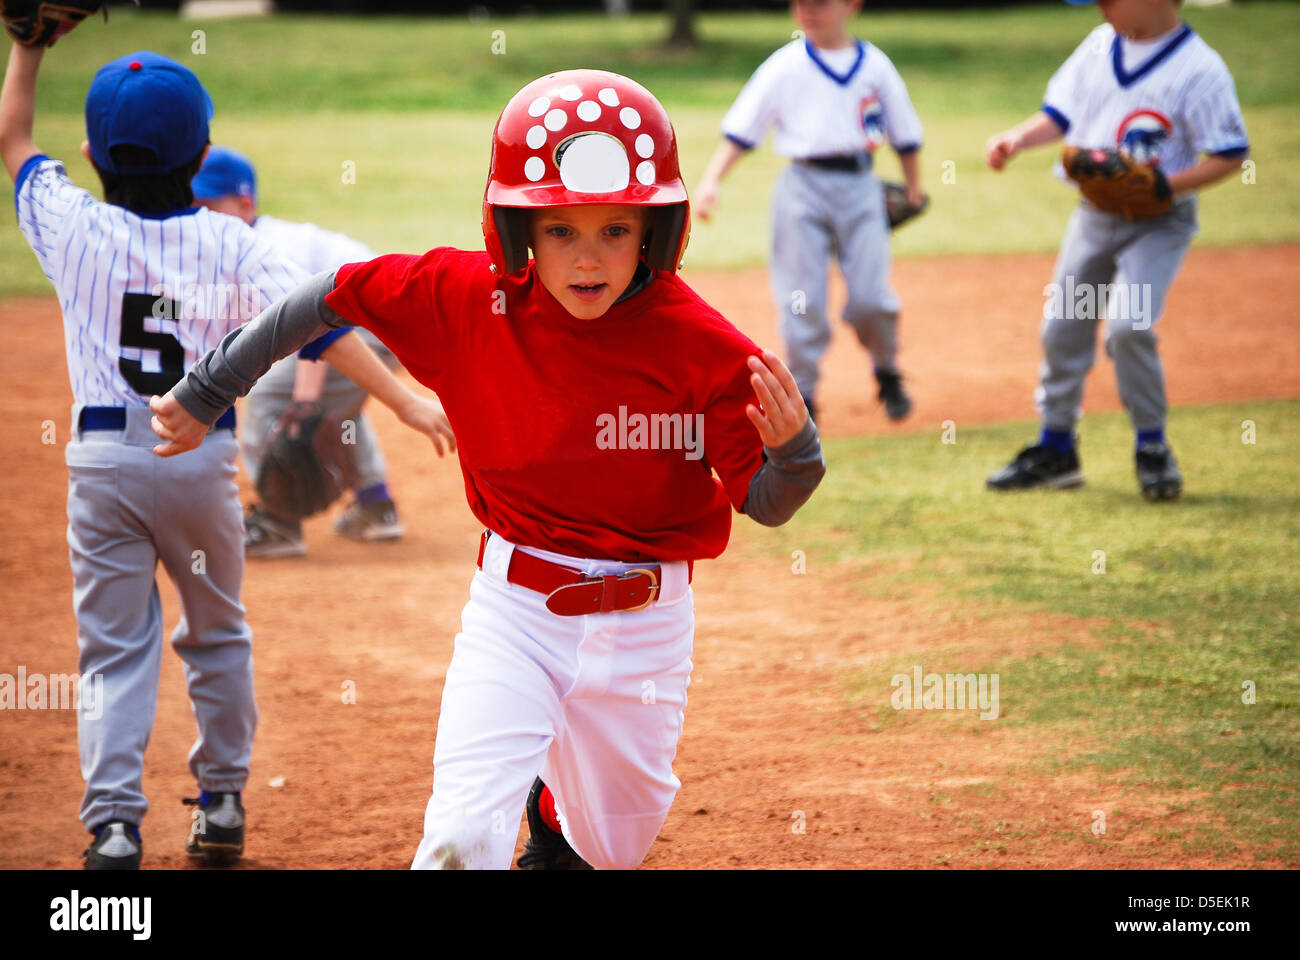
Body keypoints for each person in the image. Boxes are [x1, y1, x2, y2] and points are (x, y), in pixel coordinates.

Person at [150, 69, 827, 870]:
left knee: (609, 850)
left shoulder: (702, 345)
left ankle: (554, 818)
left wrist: (796, 454)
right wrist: (210, 387)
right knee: (460, 838)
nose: (588, 258)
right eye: (560, 230)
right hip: (518, 614)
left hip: (647, 628)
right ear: (518, 232)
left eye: (615, 230)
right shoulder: (467, 300)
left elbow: (766, 501)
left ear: (654, 230)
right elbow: (331, 295)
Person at [0, 43, 452, 869]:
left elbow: (14, 139)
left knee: (111, 647)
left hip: (102, 464)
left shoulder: (69, 224)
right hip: (199, 464)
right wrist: (407, 398)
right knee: (215, 634)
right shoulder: (231, 244)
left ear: (95, 154)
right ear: (204, 155)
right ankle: (222, 803)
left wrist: (26, 47)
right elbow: (316, 321)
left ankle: (112, 825)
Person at [984, 0, 1248, 499]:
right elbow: (1059, 114)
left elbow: (1230, 152)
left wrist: (1166, 186)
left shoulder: (1199, 68)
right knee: (1065, 325)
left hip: (1158, 225)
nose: (1102, 7)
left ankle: (1152, 447)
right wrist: (1017, 139)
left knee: (1128, 327)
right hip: (1094, 220)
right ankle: (1057, 447)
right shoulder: (1099, 45)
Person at [694, 0, 925, 424]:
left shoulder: (875, 65)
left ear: (851, 5)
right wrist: (712, 181)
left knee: (872, 298)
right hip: (801, 188)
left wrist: (913, 186)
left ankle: (886, 369)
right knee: (801, 299)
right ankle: (804, 393)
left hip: (861, 186)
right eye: (800, 3)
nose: (807, 10)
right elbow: (743, 130)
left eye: (819, 2)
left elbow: (905, 134)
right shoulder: (785, 65)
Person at [191, 146, 409, 558]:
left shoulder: (266, 247)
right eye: (190, 206)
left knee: (275, 394)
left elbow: (316, 325)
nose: (196, 217)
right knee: (330, 403)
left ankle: (279, 521)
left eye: (206, 206)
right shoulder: (243, 246)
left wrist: (305, 401)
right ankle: (375, 505)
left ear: (244, 203)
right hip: (384, 324)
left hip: (375, 322)